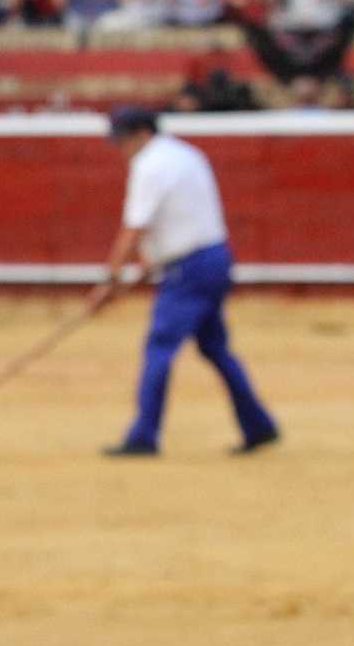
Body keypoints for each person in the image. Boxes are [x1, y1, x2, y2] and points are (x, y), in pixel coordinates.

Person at [97, 106, 278, 457]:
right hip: (213, 257)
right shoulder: (186, 154)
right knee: (215, 349)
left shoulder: (149, 166)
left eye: (122, 141)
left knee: (159, 348)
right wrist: (153, 259)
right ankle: (258, 426)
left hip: (188, 269)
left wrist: (109, 280)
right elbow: (181, 214)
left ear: (141, 134)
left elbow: (134, 228)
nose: (120, 150)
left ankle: (143, 436)